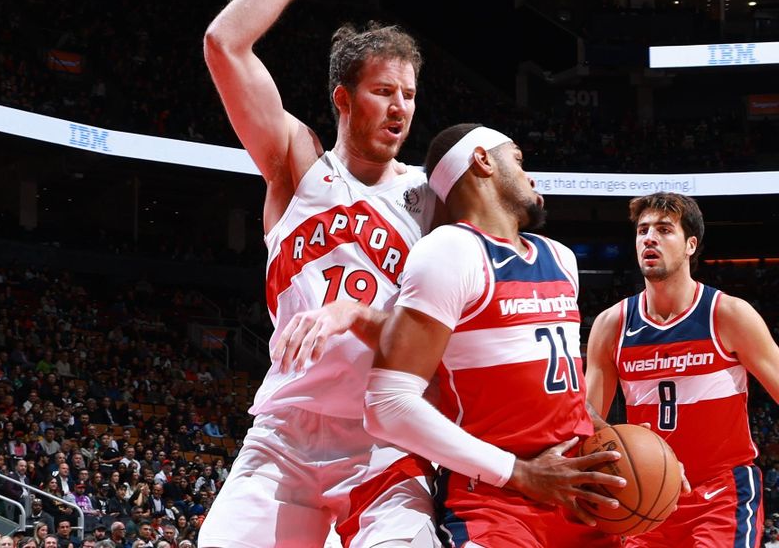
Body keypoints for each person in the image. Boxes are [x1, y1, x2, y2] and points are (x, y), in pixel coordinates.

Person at [280, 124, 627, 546]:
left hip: (576, 492)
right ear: (482, 160)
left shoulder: (560, 258)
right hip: (498, 504)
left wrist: (628, 450)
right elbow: (388, 404)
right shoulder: (450, 250)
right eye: (517, 160)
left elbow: (568, 397)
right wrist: (521, 474)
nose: (530, 176)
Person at [199, 0, 440, 546]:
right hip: (286, 435)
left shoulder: (430, 197)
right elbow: (224, 44)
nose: (400, 107)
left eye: (408, 94)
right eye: (384, 91)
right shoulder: (296, 164)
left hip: (384, 434)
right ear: (342, 98)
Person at [585, 191, 779, 548]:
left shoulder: (727, 314)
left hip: (720, 492)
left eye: (664, 229)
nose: (649, 238)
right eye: (642, 230)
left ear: (691, 244)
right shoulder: (612, 324)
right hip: (646, 495)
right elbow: (587, 419)